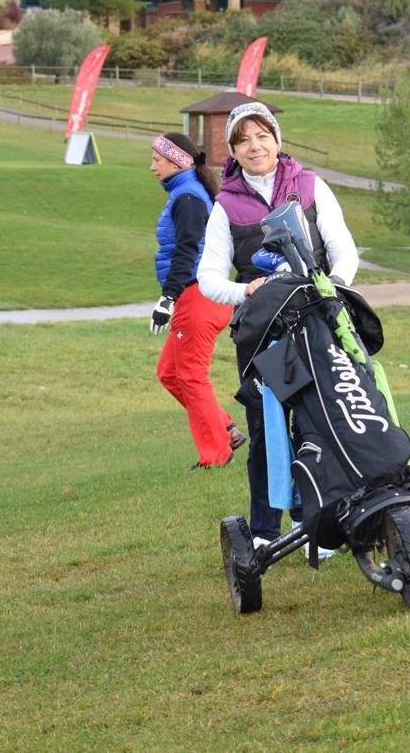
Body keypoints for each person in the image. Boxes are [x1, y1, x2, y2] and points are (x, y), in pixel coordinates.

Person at [198, 102, 359, 544]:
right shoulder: (224, 205)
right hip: (262, 330)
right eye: (243, 140)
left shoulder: (310, 186)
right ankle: (266, 533)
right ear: (233, 150)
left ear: (276, 139)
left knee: (327, 419)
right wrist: (244, 291)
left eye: (262, 135)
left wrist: (334, 286)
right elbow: (208, 279)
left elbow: (343, 250)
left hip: (319, 317)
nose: (255, 146)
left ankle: (330, 524)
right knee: (266, 428)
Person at [148, 132, 246, 471]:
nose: (152, 167)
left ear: (177, 162)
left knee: (190, 376)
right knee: (169, 373)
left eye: (157, 161)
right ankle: (225, 429)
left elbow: (187, 252)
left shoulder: (188, 197)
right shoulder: (186, 192)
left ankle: (216, 455)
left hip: (197, 298)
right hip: (197, 298)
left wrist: (167, 298)